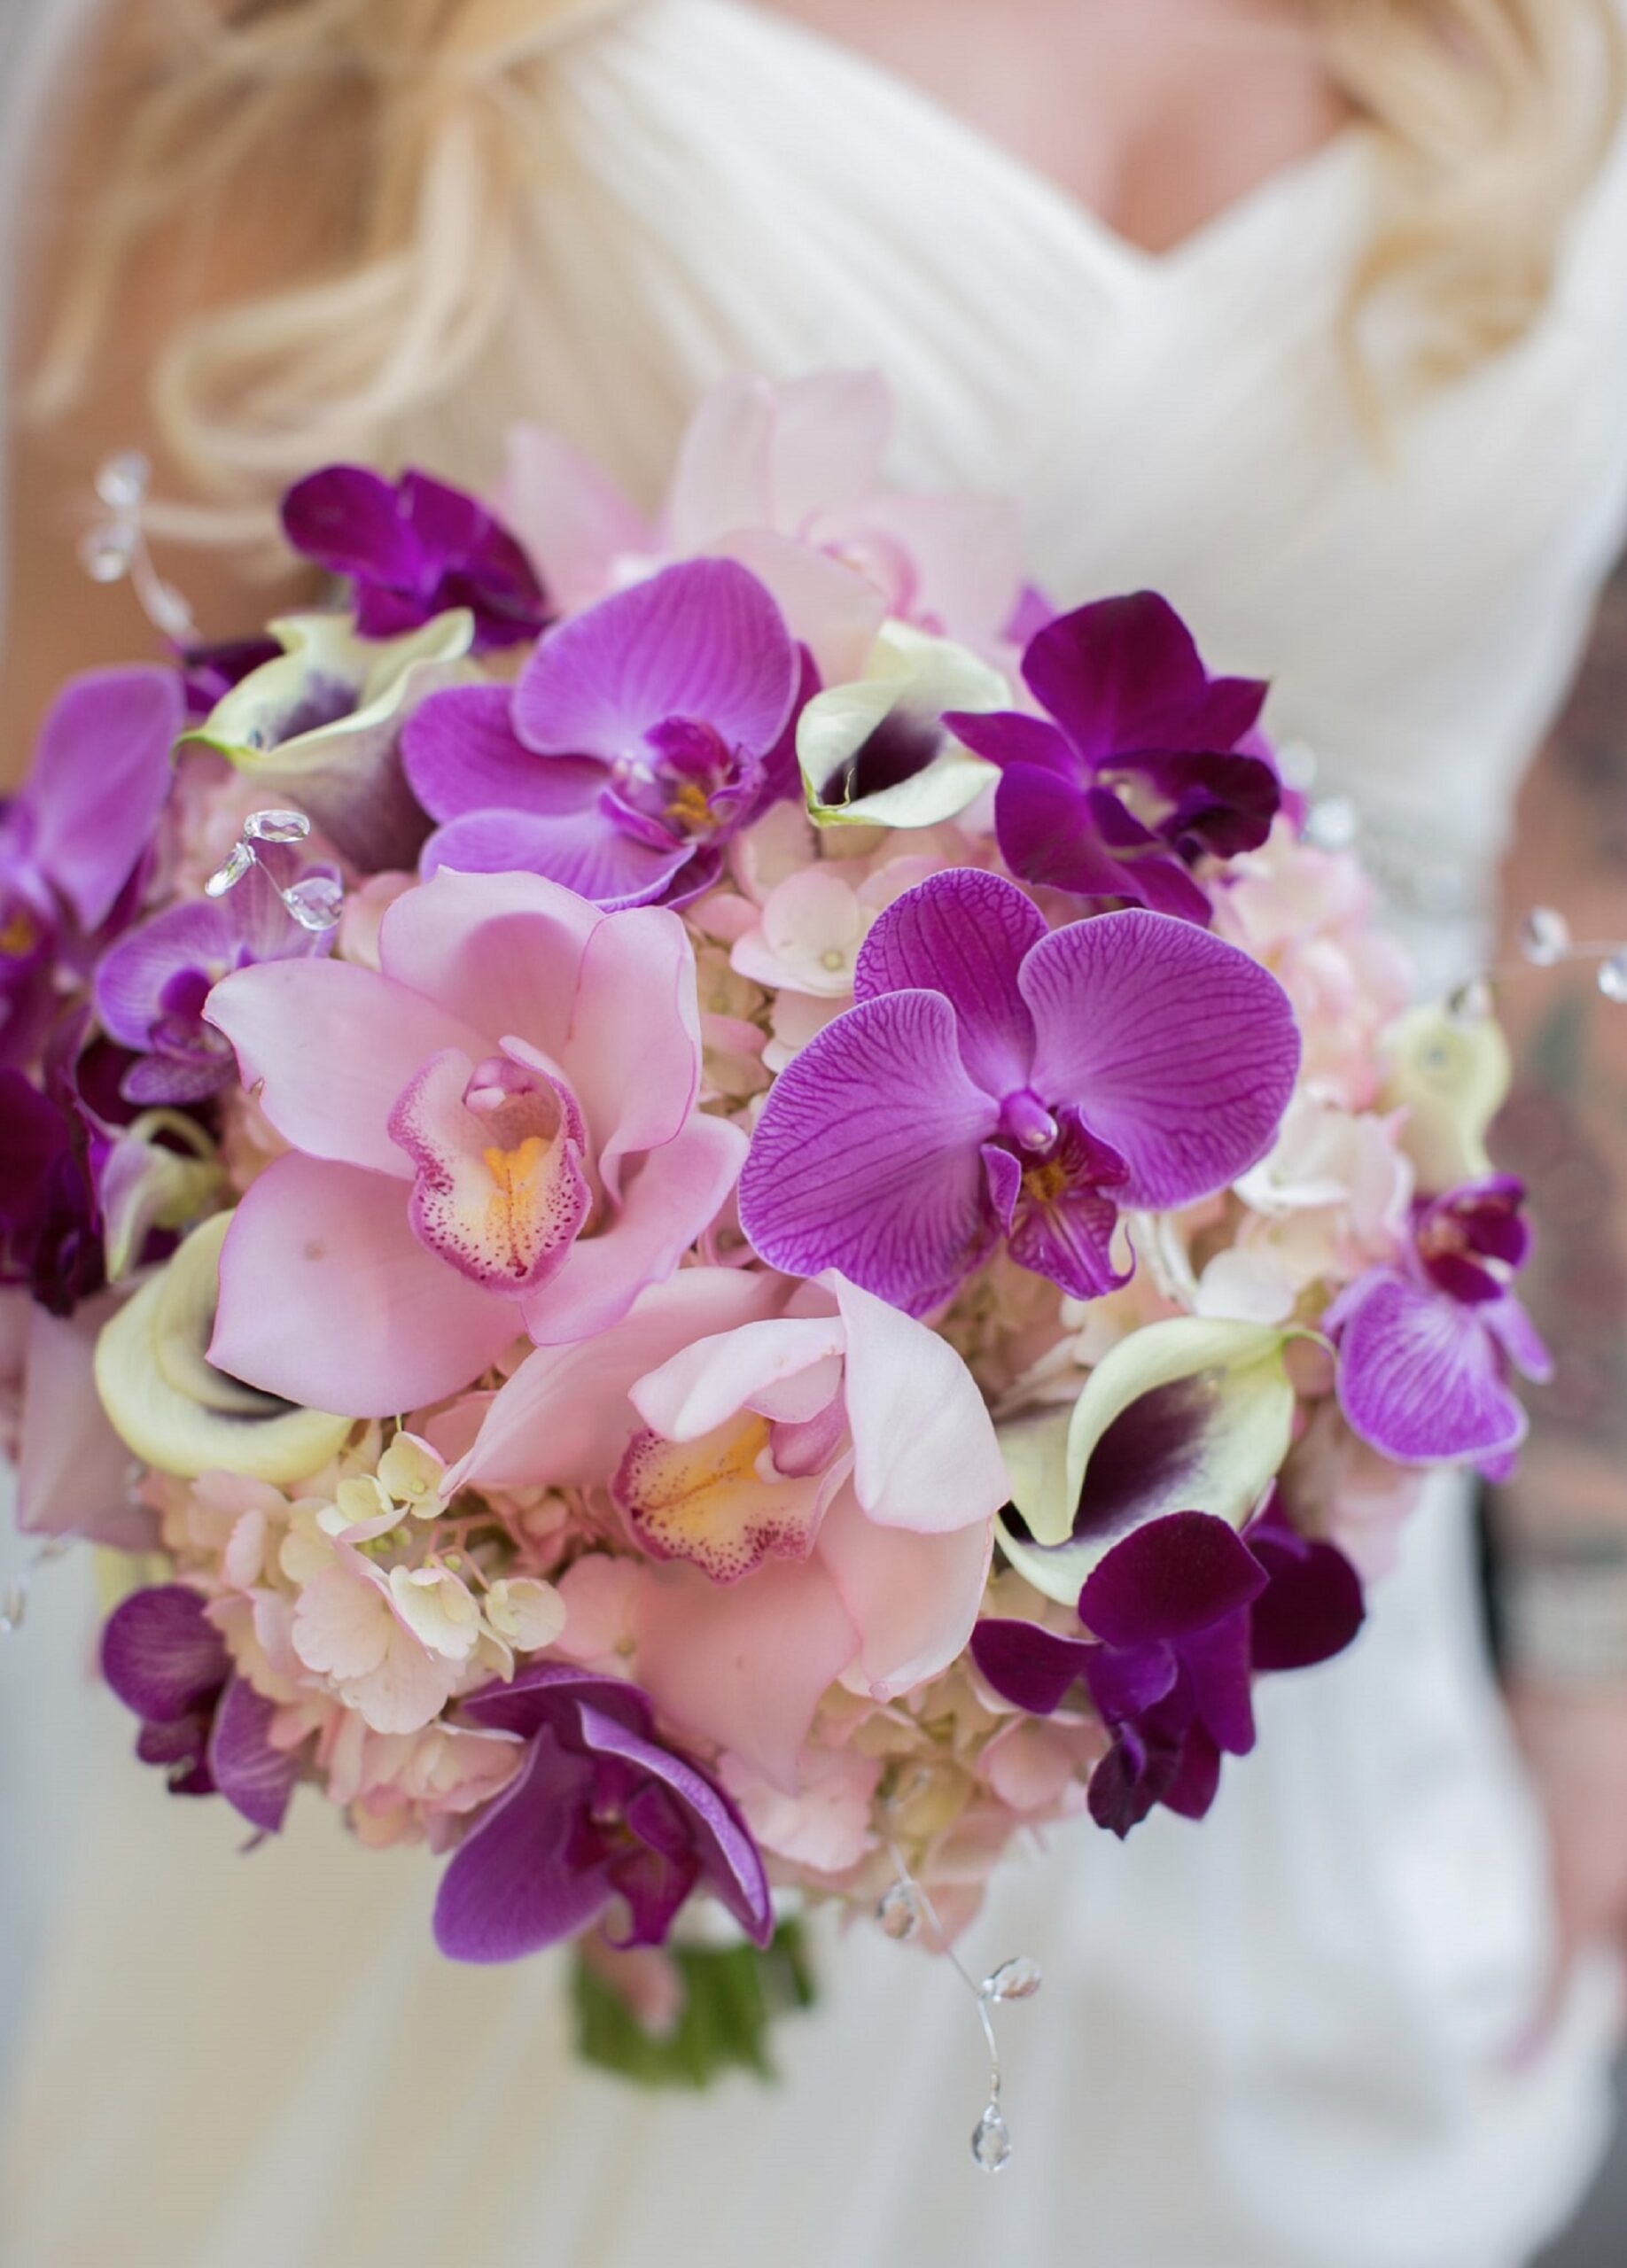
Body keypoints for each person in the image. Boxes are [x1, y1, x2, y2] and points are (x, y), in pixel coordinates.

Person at [3, 3, 1627, 2262]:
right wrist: (490, 1575)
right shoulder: (322, 41)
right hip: (532, 1665)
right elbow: (77, 890)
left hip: (1227, 1697)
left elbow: (1563, 866)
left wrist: (1594, 1604)